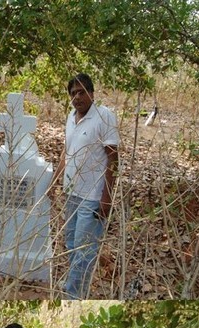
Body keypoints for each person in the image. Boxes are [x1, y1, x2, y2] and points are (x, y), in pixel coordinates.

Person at [55, 73, 120, 299]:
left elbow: (113, 158)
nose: (77, 97)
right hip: (71, 193)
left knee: (84, 250)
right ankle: (75, 285)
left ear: (92, 93)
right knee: (71, 243)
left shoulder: (104, 117)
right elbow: (67, 152)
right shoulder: (70, 118)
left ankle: (74, 295)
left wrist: (107, 197)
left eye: (82, 92)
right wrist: (55, 180)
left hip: (92, 196)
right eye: (73, 93)